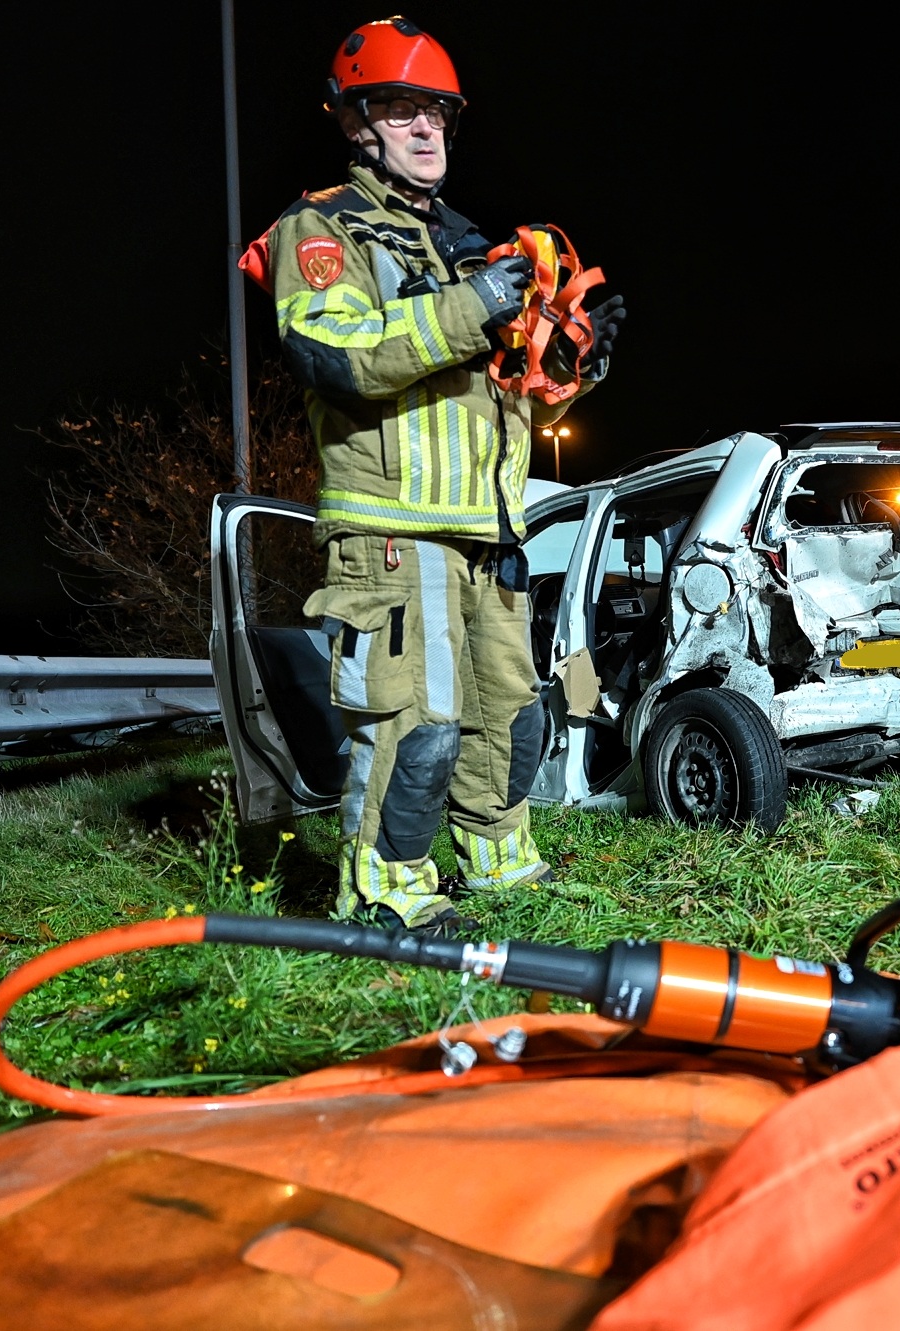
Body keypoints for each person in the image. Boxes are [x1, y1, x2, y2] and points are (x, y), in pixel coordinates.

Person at [256, 16, 625, 930]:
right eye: (402, 110)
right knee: (413, 732)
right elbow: (338, 355)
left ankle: (501, 868)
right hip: (393, 530)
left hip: (488, 532)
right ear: (357, 125)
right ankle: (388, 894)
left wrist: (569, 373)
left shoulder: (469, 245)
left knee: (511, 720)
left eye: (439, 114)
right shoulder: (323, 229)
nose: (427, 130)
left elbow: (513, 407)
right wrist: (475, 305)